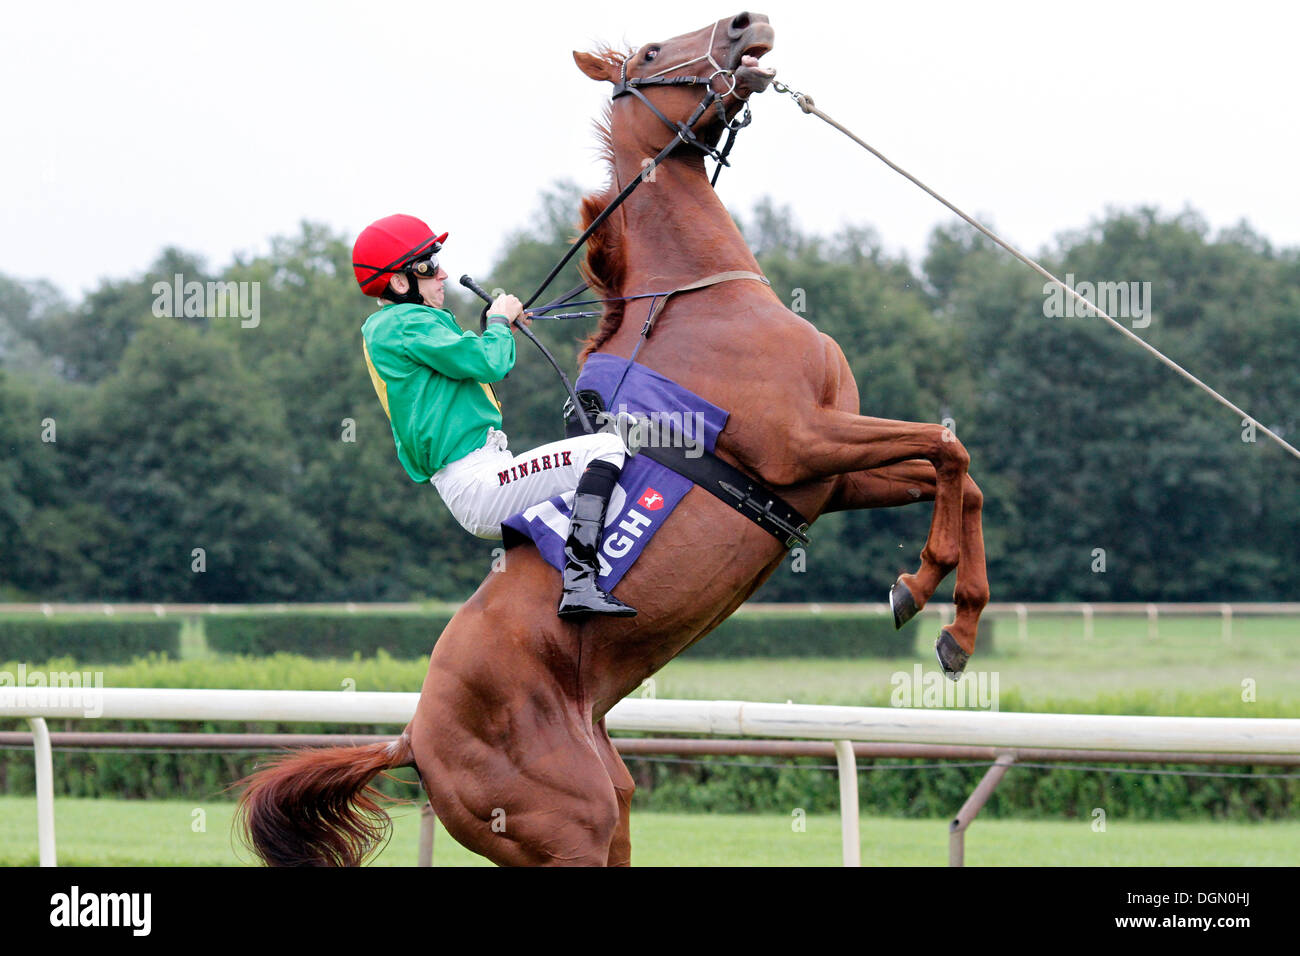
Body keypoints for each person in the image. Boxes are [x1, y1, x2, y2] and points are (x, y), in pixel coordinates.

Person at [353, 213, 636, 618]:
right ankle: (578, 585)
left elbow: (466, 363)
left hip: (484, 475)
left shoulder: (402, 327)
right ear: (400, 282)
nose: (442, 273)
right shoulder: (404, 323)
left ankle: (581, 577)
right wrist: (499, 322)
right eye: (429, 266)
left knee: (596, 467)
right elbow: (490, 363)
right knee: (603, 449)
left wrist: (495, 327)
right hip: (478, 483)